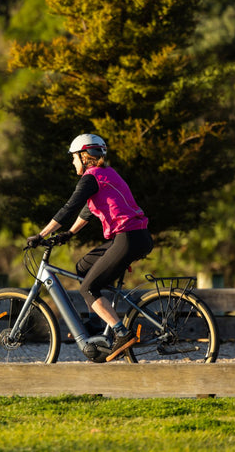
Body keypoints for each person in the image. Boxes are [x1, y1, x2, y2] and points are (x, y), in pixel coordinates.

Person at [27, 133, 153, 362]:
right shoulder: (107, 174)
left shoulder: (90, 178)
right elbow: (87, 210)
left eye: (73, 157)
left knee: (87, 288)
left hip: (128, 238)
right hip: (134, 236)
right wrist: (69, 233)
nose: (72, 162)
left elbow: (69, 207)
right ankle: (97, 324)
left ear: (84, 157)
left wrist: (41, 234)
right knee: (83, 267)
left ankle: (122, 333)